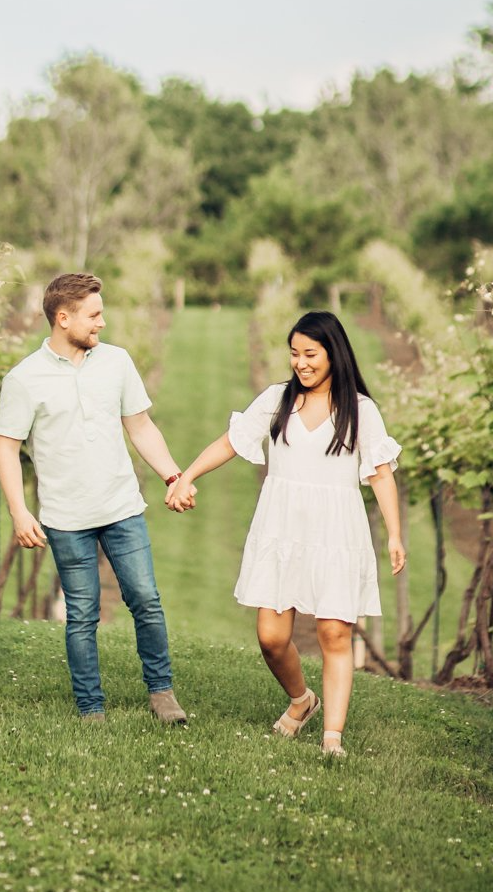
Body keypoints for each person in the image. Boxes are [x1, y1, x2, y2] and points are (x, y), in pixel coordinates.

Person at [165, 310, 405, 757]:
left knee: (335, 633)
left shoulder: (360, 410)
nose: (301, 363)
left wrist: (394, 534)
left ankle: (332, 738)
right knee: (272, 639)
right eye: (294, 354)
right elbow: (230, 442)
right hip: (282, 527)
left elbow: (382, 474)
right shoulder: (277, 399)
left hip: (336, 532)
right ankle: (302, 700)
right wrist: (186, 475)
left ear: (334, 353)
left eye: (310, 354)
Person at [0, 272, 189, 725]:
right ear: (64, 318)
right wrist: (19, 512)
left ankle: (162, 694)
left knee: (145, 600)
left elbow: (139, 425)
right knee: (82, 615)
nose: (102, 322)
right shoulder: (24, 379)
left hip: (122, 508)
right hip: (65, 518)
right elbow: (6, 446)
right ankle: (91, 708)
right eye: (94, 314)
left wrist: (172, 476)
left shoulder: (117, 362)